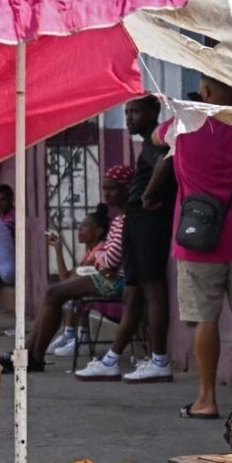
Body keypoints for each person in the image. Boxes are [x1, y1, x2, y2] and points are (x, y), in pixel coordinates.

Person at [157, 75, 232, 419]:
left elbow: (155, 136)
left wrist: (193, 108)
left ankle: (206, 399)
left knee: (205, 319)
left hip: (198, 241)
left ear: (204, 91)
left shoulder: (183, 126)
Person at [76, 96, 178, 383]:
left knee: (153, 290)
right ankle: (111, 360)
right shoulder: (147, 143)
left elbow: (165, 164)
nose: (129, 118)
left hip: (148, 222)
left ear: (154, 112)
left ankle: (159, 360)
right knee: (133, 293)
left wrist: (147, 195)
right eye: (127, 112)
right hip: (137, 221)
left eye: (135, 111)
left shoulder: (157, 141)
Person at [0, 166, 131, 373]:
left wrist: (100, 257)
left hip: (118, 281)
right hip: (109, 277)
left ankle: (33, 356)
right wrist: (103, 258)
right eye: (104, 188)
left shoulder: (127, 219)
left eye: (112, 188)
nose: (106, 193)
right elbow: (107, 258)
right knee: (52, 293)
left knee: (55, 293)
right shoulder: (118, 220)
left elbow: (111, 259)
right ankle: (28, 354)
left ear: (127, 188)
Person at [46, 205, 111, 357]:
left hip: (107, 289)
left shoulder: (100, 249)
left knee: (72, 291)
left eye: (85, 226)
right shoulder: (90, 251)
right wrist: (58, 250)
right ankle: (70, 334)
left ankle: (80, 338)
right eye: (80, 226)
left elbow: (68, 280)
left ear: (99, 231)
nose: (79, 230)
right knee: (68, 289)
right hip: (96, 288)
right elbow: (66, 278)